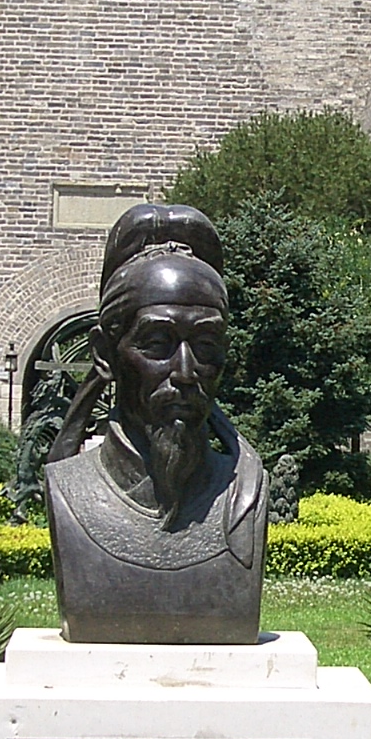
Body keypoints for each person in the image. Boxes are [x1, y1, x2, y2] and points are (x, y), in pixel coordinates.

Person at [44, 204, 267, 644]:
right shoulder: (66, 489)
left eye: (205, 344)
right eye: (157, 343)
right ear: (106, 355)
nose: (185, 371)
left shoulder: (247, 496)